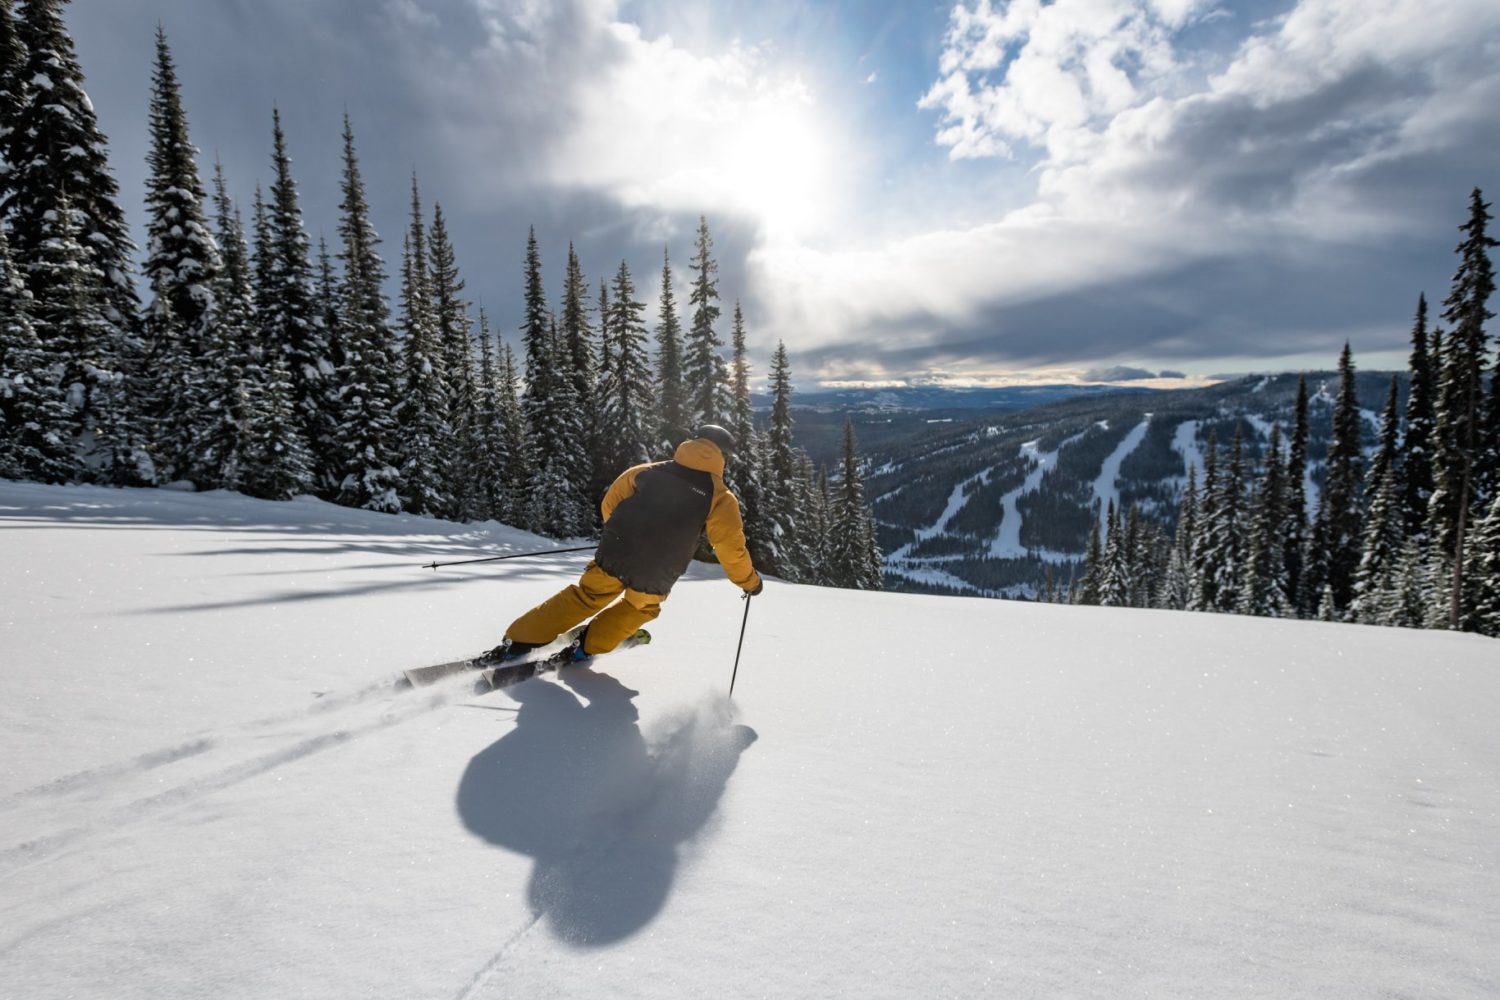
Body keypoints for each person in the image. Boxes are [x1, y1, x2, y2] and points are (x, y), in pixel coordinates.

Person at [483, 424, 763, 665]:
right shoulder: (721, 497)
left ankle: (518, 641)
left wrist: (620, 537)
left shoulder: (645, 471)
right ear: (722, 456)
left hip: (615, 551)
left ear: (691, 442)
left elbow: (610, 505)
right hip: (659, 569)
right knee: (640, 607)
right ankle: (586, 648)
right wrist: (749, 582)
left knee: (586, 596)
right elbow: (730, 548)